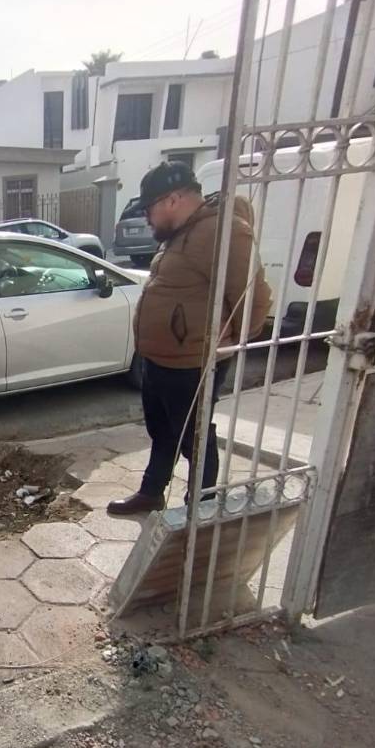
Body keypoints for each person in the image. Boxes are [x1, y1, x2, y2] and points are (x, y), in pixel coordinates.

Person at [109, 162, 273, 516]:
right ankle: (152, 492)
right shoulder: (182, 233)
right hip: (160, 359)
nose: (148, 219)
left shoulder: (221, 233)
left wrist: (230, 341)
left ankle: (202, 504)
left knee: (194, 437)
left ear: (172, 200)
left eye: (150, 209)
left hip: (191, 363)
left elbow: (254, 299)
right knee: (163, 430)